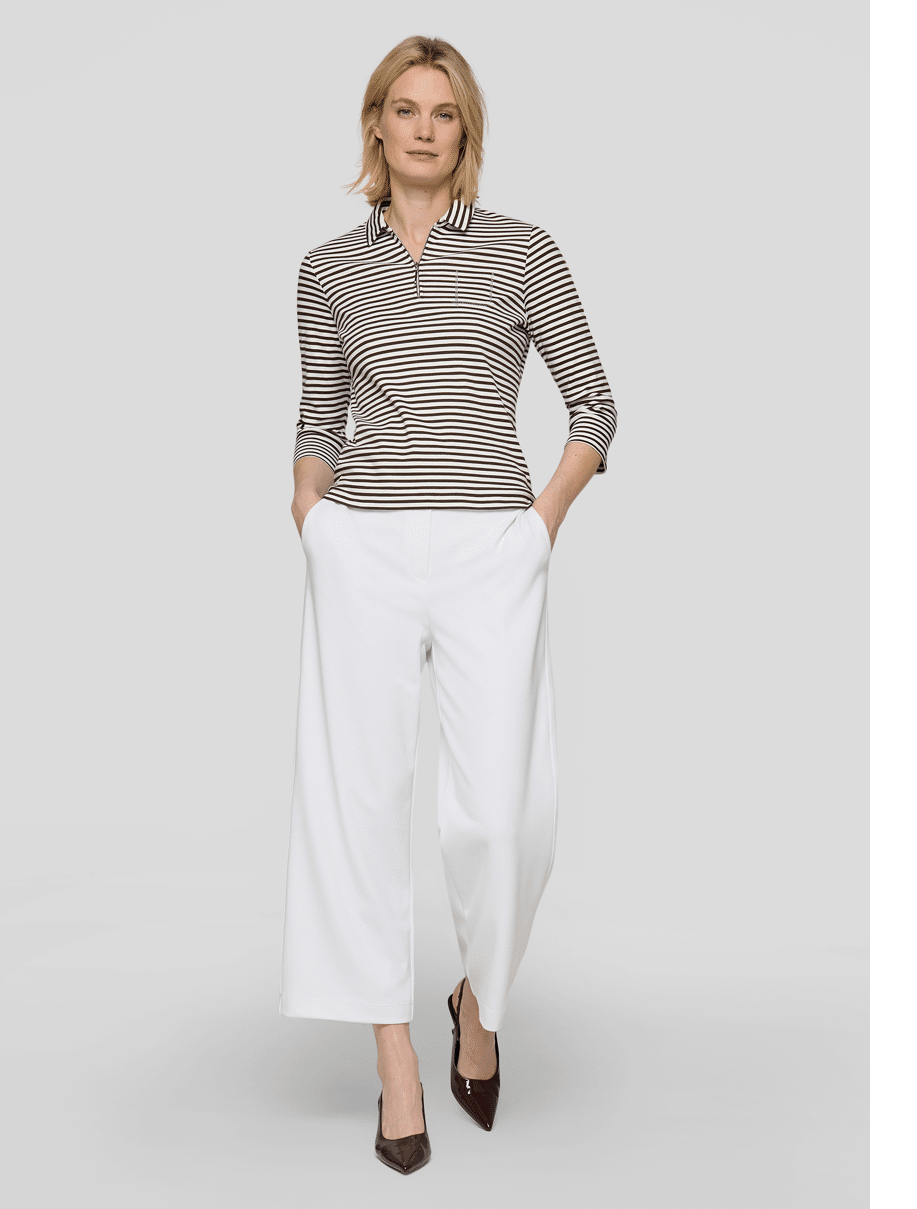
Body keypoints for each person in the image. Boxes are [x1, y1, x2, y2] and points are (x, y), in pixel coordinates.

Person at [278, 34, 617, 1174]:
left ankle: (477, 995)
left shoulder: (522, 251)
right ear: (375, 124)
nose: (424, 129)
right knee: (357, 803)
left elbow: (594, 406)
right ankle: (395, 1062)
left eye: (445, 112)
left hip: (490, 547)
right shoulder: (328, 269)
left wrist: (539, 525)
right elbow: (320, 415)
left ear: (465, 132)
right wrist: (309, 510)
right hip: (363, 546)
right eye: (405, 108)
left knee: (502, 817)